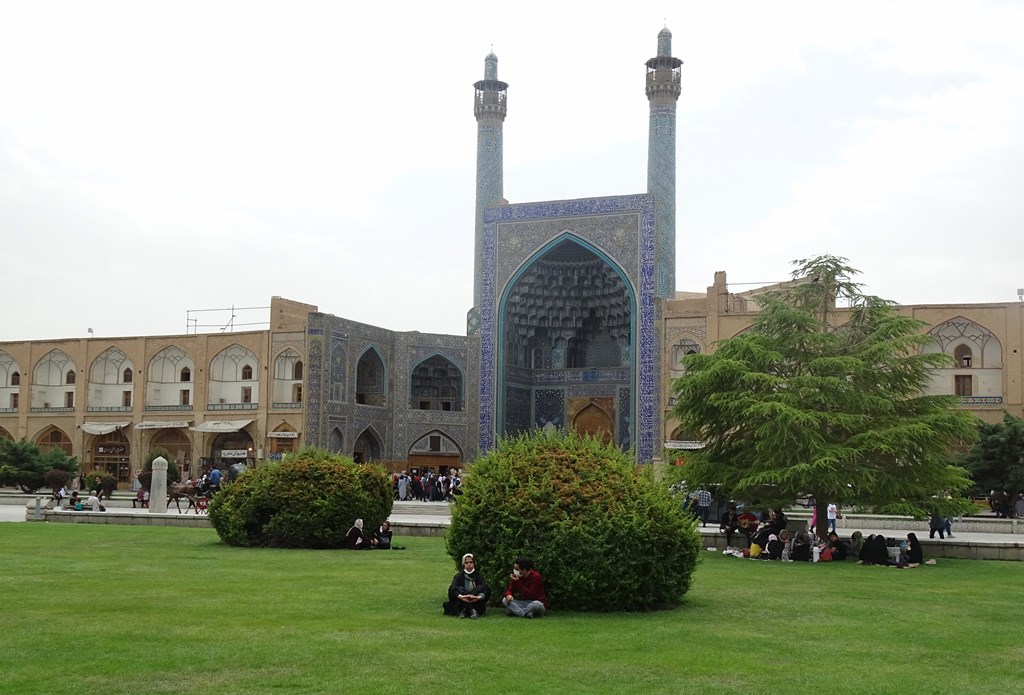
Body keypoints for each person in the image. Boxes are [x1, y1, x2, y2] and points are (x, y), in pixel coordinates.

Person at [444, 553, 489, 619]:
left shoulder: (479, 576)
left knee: (478, 588)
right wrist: (461, 596)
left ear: (474, 563)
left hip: (476, 601)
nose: (469, 564)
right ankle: (471, 610)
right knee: (460, 589)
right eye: (466, 562)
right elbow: (452, 589)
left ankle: (465, 610)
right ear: (463, 564)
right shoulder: (458, 576)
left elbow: (485, 588)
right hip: (461, 600)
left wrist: (478, 597)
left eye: (471, 562)